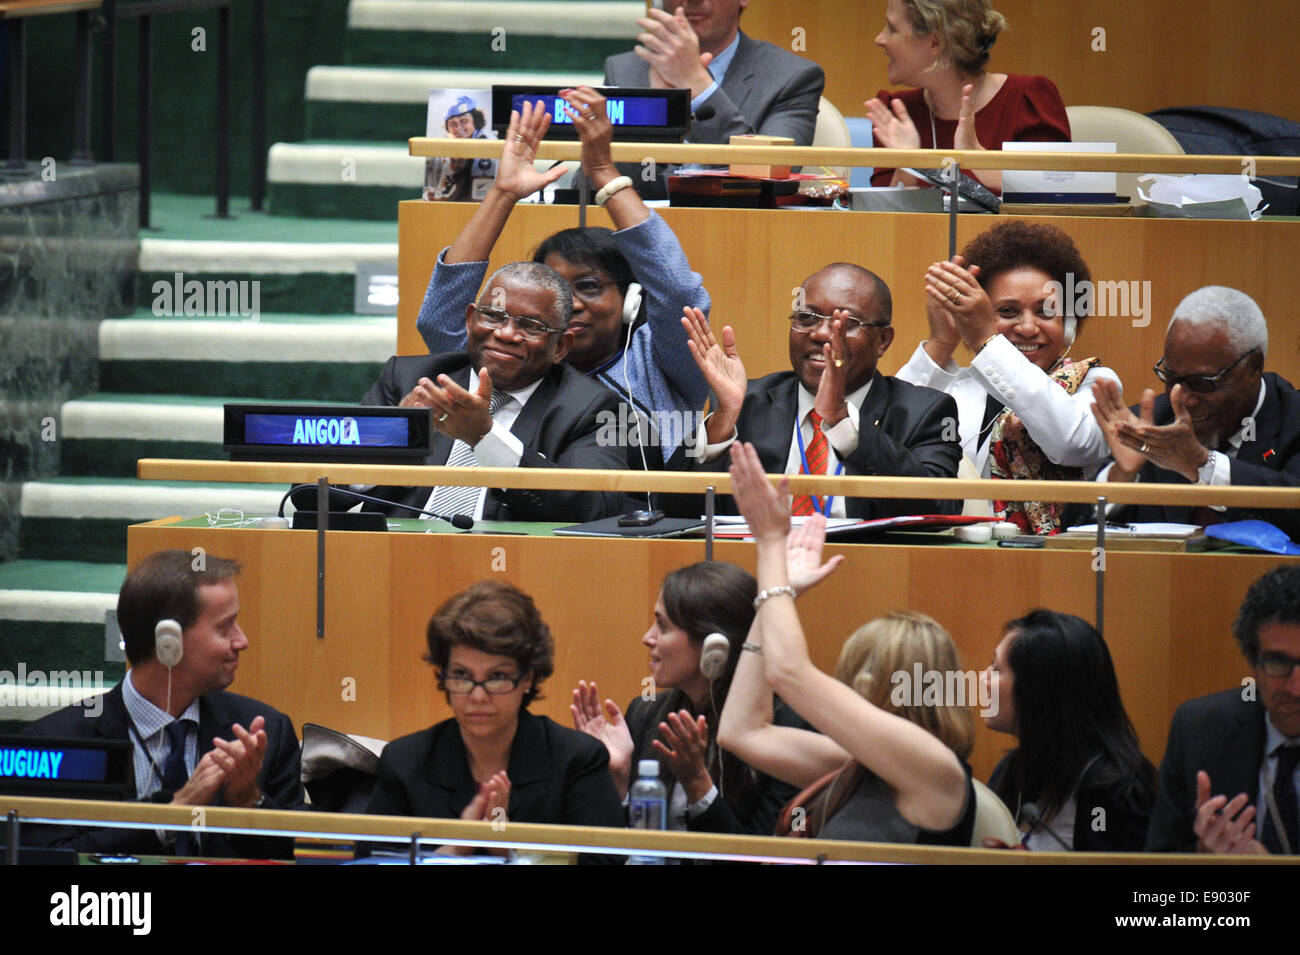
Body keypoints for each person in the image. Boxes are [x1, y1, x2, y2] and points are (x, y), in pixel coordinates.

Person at [417, 92, 710, 473]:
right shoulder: (513, 360)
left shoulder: (661, 360)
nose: (569, 303)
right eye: (554, 288)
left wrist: (604, 171)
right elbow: (440, 320)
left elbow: (679, 293)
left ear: (630, 300)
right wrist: (503, 194)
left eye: (589, 286)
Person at [717, 444, 975, 844]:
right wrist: (782, 592)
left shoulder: (935, 771)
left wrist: (770, 547)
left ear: (880, 685)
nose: (847, 684)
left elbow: (789, 673)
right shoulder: (861, 765)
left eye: (856, 673)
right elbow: (739, 731)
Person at [24, 550, 306, 858]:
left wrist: (249, 802)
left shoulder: (264, 733)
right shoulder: (58, 747)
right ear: (168, 642)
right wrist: (170, 818)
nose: (241, 641)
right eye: (225, 628)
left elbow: (299, 855)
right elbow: (47, 857)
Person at [366, 580, 625, 858]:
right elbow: (372, 861)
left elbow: (607, 860)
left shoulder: (577, 760)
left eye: (497, 677)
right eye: (462, 676)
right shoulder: (405, 762)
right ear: (443, 675)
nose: (478, 697)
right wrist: (456, 846)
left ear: (527, 678)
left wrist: (509, 850)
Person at [684, 262, 961, 517]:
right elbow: (676, 511)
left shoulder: (926, 412)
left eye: (847, 323)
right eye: (807, 318)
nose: (821, 334)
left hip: (866, 564)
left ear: (883, 341)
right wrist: (722, 421)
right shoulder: (749, 402)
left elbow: (941, 508)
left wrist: (841, 421)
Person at [361, 260, 627, 523]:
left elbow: (594, 507)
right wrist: (394, 440)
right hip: (396, 554)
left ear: (561, 347)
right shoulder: (409, 378)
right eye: (493, 316)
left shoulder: (593, 407)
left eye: (532, 326)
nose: (507, 334)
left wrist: (485, 435)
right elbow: (327, 486)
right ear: (470, 320)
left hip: (513, 559)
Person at [898, 221, 1119, 533]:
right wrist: (942, 341)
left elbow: (1070, 442)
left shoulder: (1095, 384)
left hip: (1055, 566)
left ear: (1068, 322)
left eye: (1045, 312)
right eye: (1008, 312)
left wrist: (986, 340)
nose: (1028, 327)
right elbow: (888, 437)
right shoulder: (954, 390)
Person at [570, 561, 803, 837]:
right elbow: (621, 851)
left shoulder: (788, 729)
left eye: (663, 626)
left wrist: (698, 785)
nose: (648, 638)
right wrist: (618, 779)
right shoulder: (644, 713)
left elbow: (765, 854)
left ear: (715, 645)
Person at [1091, 285, 1300, 538]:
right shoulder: (1154, 425)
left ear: (1253, 368)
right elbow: (1074, 530)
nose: (1185, 399)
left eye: (1203, 383)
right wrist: (1121, 477)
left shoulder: (1293, 419)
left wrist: (1201, 465)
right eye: (1172, 378)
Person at [1147, 565, 1300, 854]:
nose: (1296, 689)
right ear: (1253, 666)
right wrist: (1204, 860)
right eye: (1279, 664)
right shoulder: (1198, 732)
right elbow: (1158, 865)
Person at [603, 2, 825, 197]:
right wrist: (657, 114)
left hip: (745, 232)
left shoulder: (791, 76)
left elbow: (771, 179)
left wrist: (699, 88)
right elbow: (595, 183)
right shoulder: (626, 70)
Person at [983, 610, 1155, 850]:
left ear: (1039, 688)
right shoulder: (1010, 771)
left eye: (997, 669)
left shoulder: (1110, 794)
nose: (983, 679)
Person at [866, 0, 1069, 192]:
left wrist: (978, 159)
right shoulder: (896, 115)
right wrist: (909, 165)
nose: (879, 39)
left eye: (892, 28)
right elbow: (884, 225)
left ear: (934, 43)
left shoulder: (1027, 101)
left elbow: (1055, 204)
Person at [428, 94, 497, 202]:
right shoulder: (452, 145)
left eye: (464, 121)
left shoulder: (485, 142)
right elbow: (446, 184)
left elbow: (479, 193)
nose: (458, 128)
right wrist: (437, 197)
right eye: (452, 124)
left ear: (476, 120)